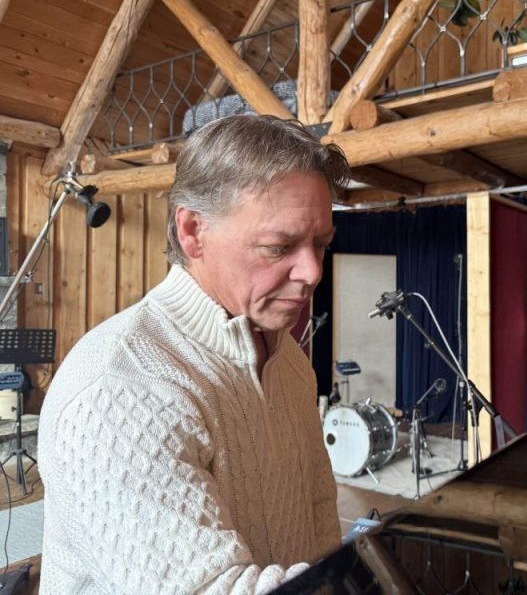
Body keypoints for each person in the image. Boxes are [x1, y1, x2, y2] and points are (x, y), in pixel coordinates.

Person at [38, 115, 350, 594]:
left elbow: (318, 513)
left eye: (321, 245)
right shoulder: (119, 386)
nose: (311, 272)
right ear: (192, 231)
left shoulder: (288, 359)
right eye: (279, 246)